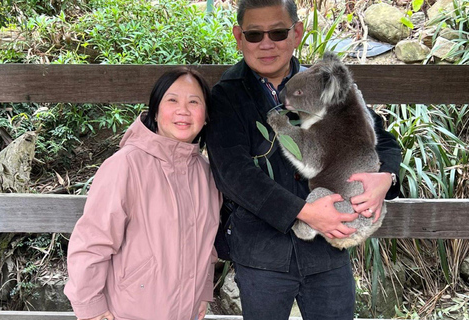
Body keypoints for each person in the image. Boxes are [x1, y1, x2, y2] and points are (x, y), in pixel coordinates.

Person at [206, 0, 402, 319]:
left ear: (296, 33)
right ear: (238, 37)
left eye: (278, 32)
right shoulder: (227, 96)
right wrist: (305, 212)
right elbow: (234, 175)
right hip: (262, 253)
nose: (267, 43)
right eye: (255, 35)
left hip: (328, 250)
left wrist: (386, 178)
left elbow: (382, 140)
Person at [64, 67, 221, 320]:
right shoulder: (125, 165)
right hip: (128, 311)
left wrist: (202, 292)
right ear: (156, 112)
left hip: (186, 311)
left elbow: (206, 243)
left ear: (206, 117)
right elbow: (92, 241)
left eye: (194, 102)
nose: (183, 110)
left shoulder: (206, 174)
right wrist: (90, 307)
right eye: (172, 100)